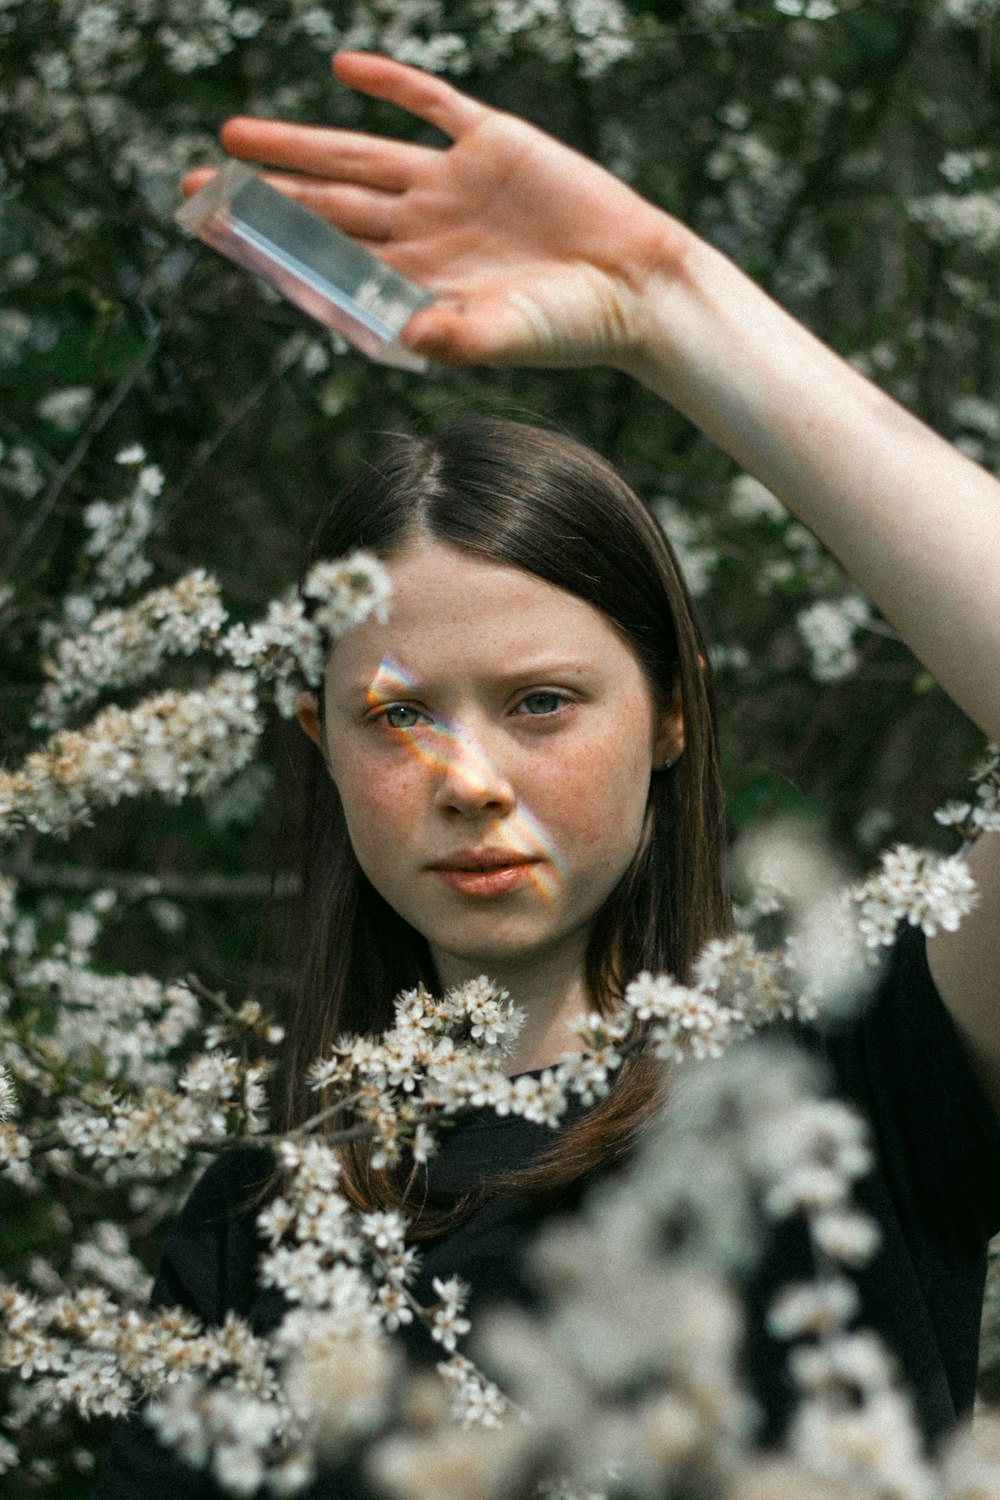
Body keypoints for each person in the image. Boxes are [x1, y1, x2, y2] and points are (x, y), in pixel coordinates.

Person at [93, 52, 1000, 1498]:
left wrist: (666, 299)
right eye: (394, 717)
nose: (467, 776)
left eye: (540, 703)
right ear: (314, 751)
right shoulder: (251, 1243)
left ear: (675, 719)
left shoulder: (847, 1080)